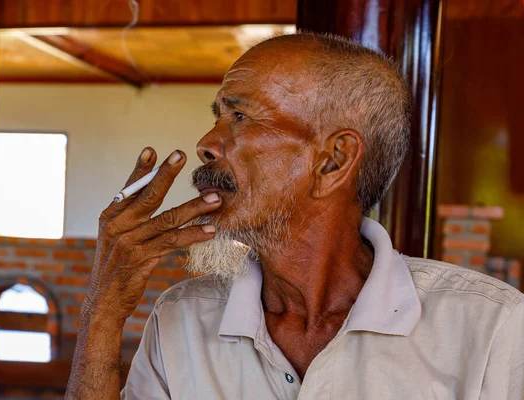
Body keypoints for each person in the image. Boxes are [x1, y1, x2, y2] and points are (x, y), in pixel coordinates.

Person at [65, 33, 524, 399]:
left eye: (240, 117)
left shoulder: (489, 329)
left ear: (333, 162)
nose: (207, 141)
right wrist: (103, 312)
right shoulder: (182, 320)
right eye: (217, 116)